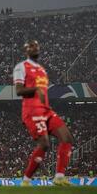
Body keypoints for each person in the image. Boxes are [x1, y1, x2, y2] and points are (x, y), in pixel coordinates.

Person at [13, 40, 74, 186]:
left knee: (67, 137)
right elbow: (19, 90)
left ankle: (59, 176)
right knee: (45, 144)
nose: (34, 48)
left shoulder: (41, 69)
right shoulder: (21, 67)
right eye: (30, 46)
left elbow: (43, 92)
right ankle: (26, 180)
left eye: (36, 45)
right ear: (26, 50)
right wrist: (35, 90)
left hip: (46, 110)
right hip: (31, 110)